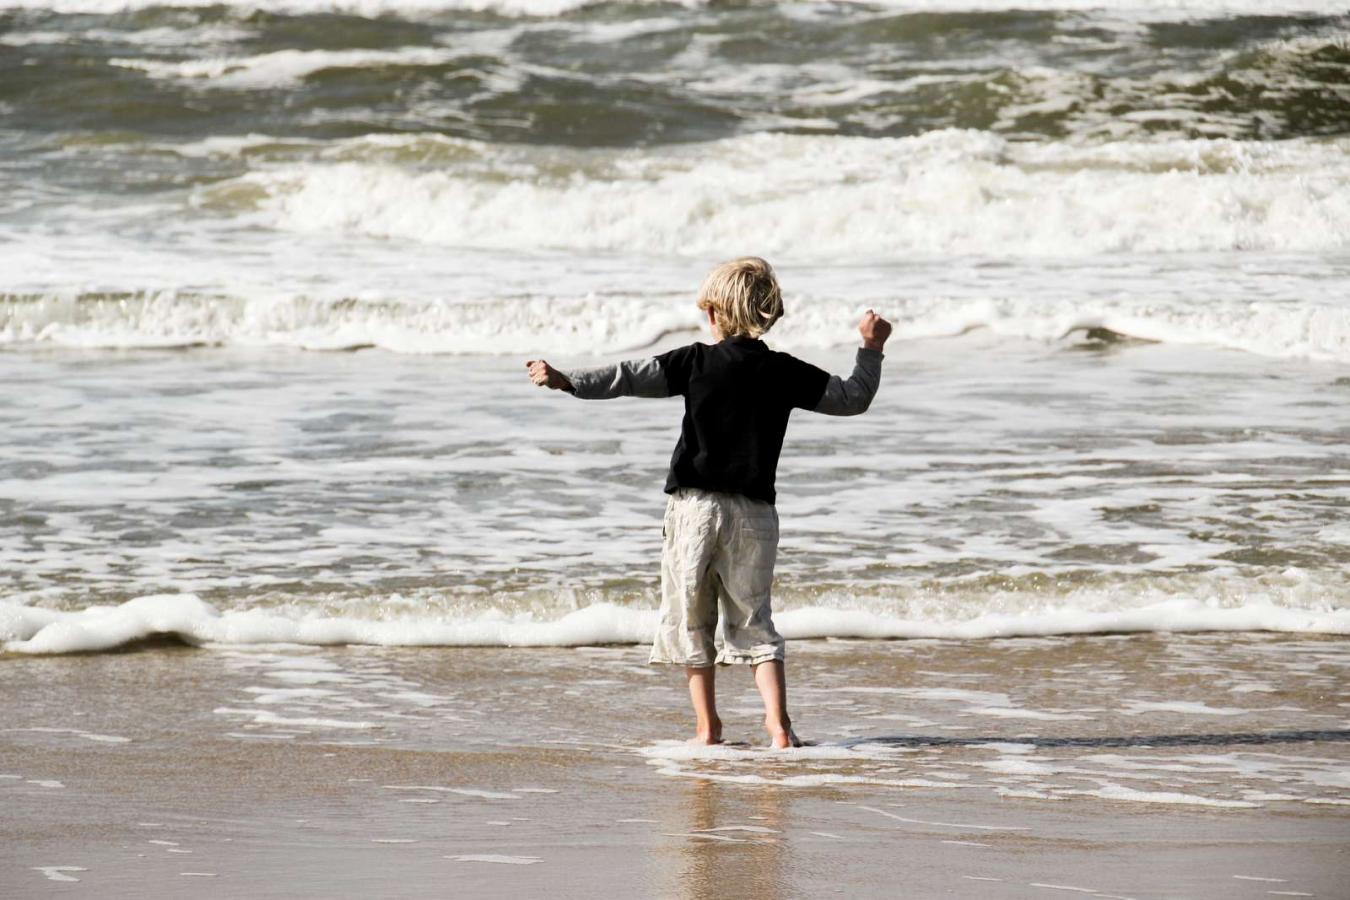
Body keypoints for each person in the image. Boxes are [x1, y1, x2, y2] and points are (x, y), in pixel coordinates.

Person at [526, 257, 890, 749]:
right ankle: (779, 727)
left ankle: (708, 728)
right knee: (755, 621)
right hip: (754, 516)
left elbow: (628, 377)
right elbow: (852, 398)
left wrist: (568, 380)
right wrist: (871, 346)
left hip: (695, 510)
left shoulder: (694, 362)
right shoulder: (783, 370)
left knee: (690, 619)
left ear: (715, 313)